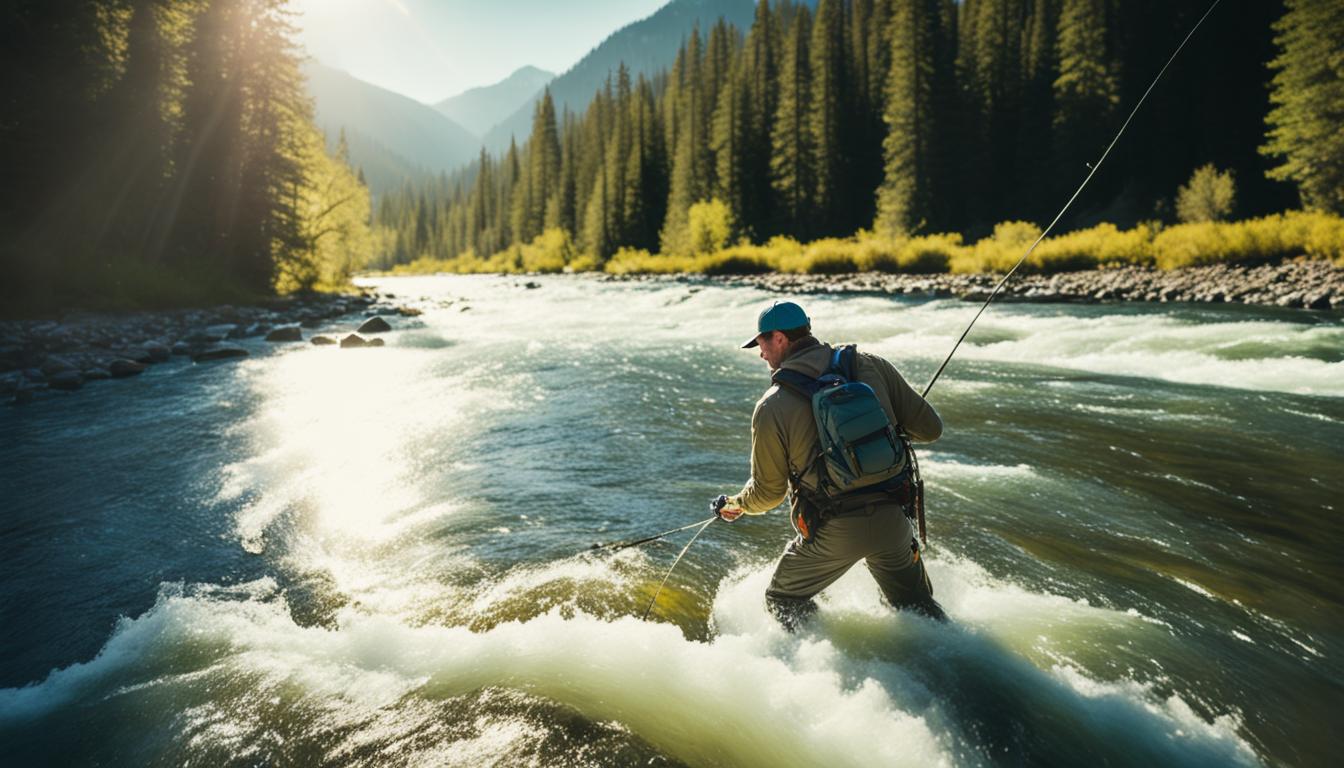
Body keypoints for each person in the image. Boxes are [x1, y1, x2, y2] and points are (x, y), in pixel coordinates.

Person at [718, 300, 947, 629]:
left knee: (783, 598)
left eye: (762, 343)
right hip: (894, 521)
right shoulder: (871, 364)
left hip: (834, 528)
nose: (761, 353)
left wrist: (738, 503)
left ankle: (837, 670)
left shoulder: (772, 406)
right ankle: (960, 664)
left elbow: (769, 494)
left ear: (780, 338)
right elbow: (931, 430)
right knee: (918, 609)